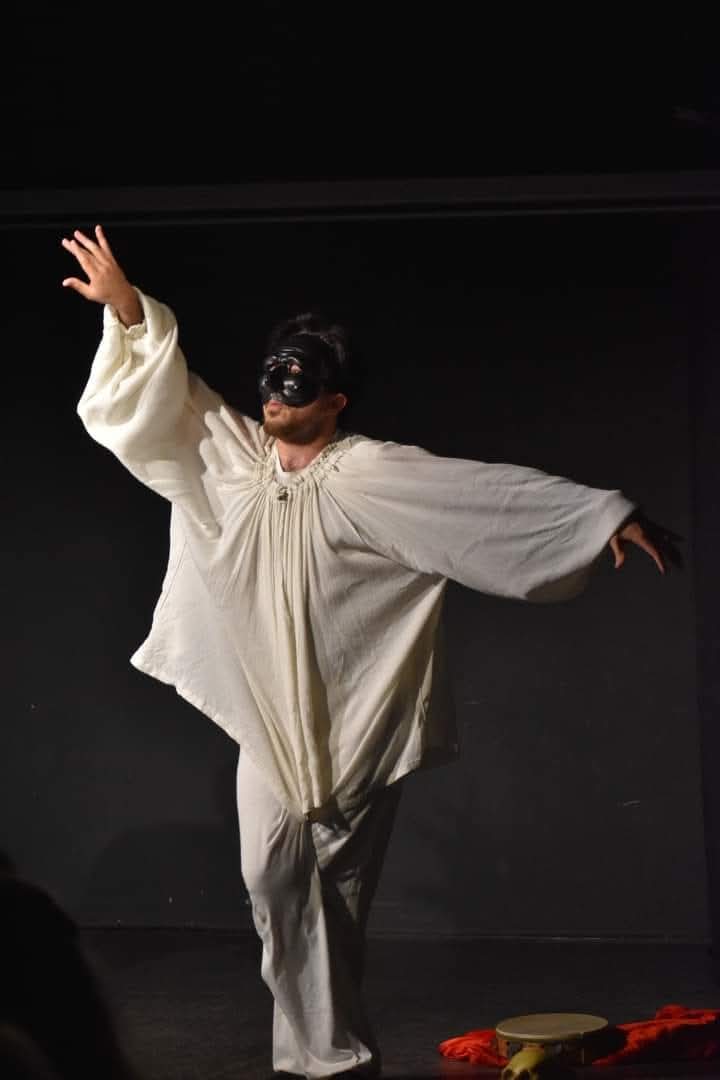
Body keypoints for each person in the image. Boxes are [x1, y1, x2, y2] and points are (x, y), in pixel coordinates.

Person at [64, 225, 668, 1079]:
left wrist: (603, 516)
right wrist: (129, 310)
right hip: (267, 716)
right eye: (273, 373)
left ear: (337, 399)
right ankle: (334, 1056)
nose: (277, 391)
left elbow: (483, 497)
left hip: (354, 713)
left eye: (300, 378)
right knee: (272, 877)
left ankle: (323, 1060)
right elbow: (162, 399)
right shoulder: (227, 452)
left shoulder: (374, 474)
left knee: (334, 899)